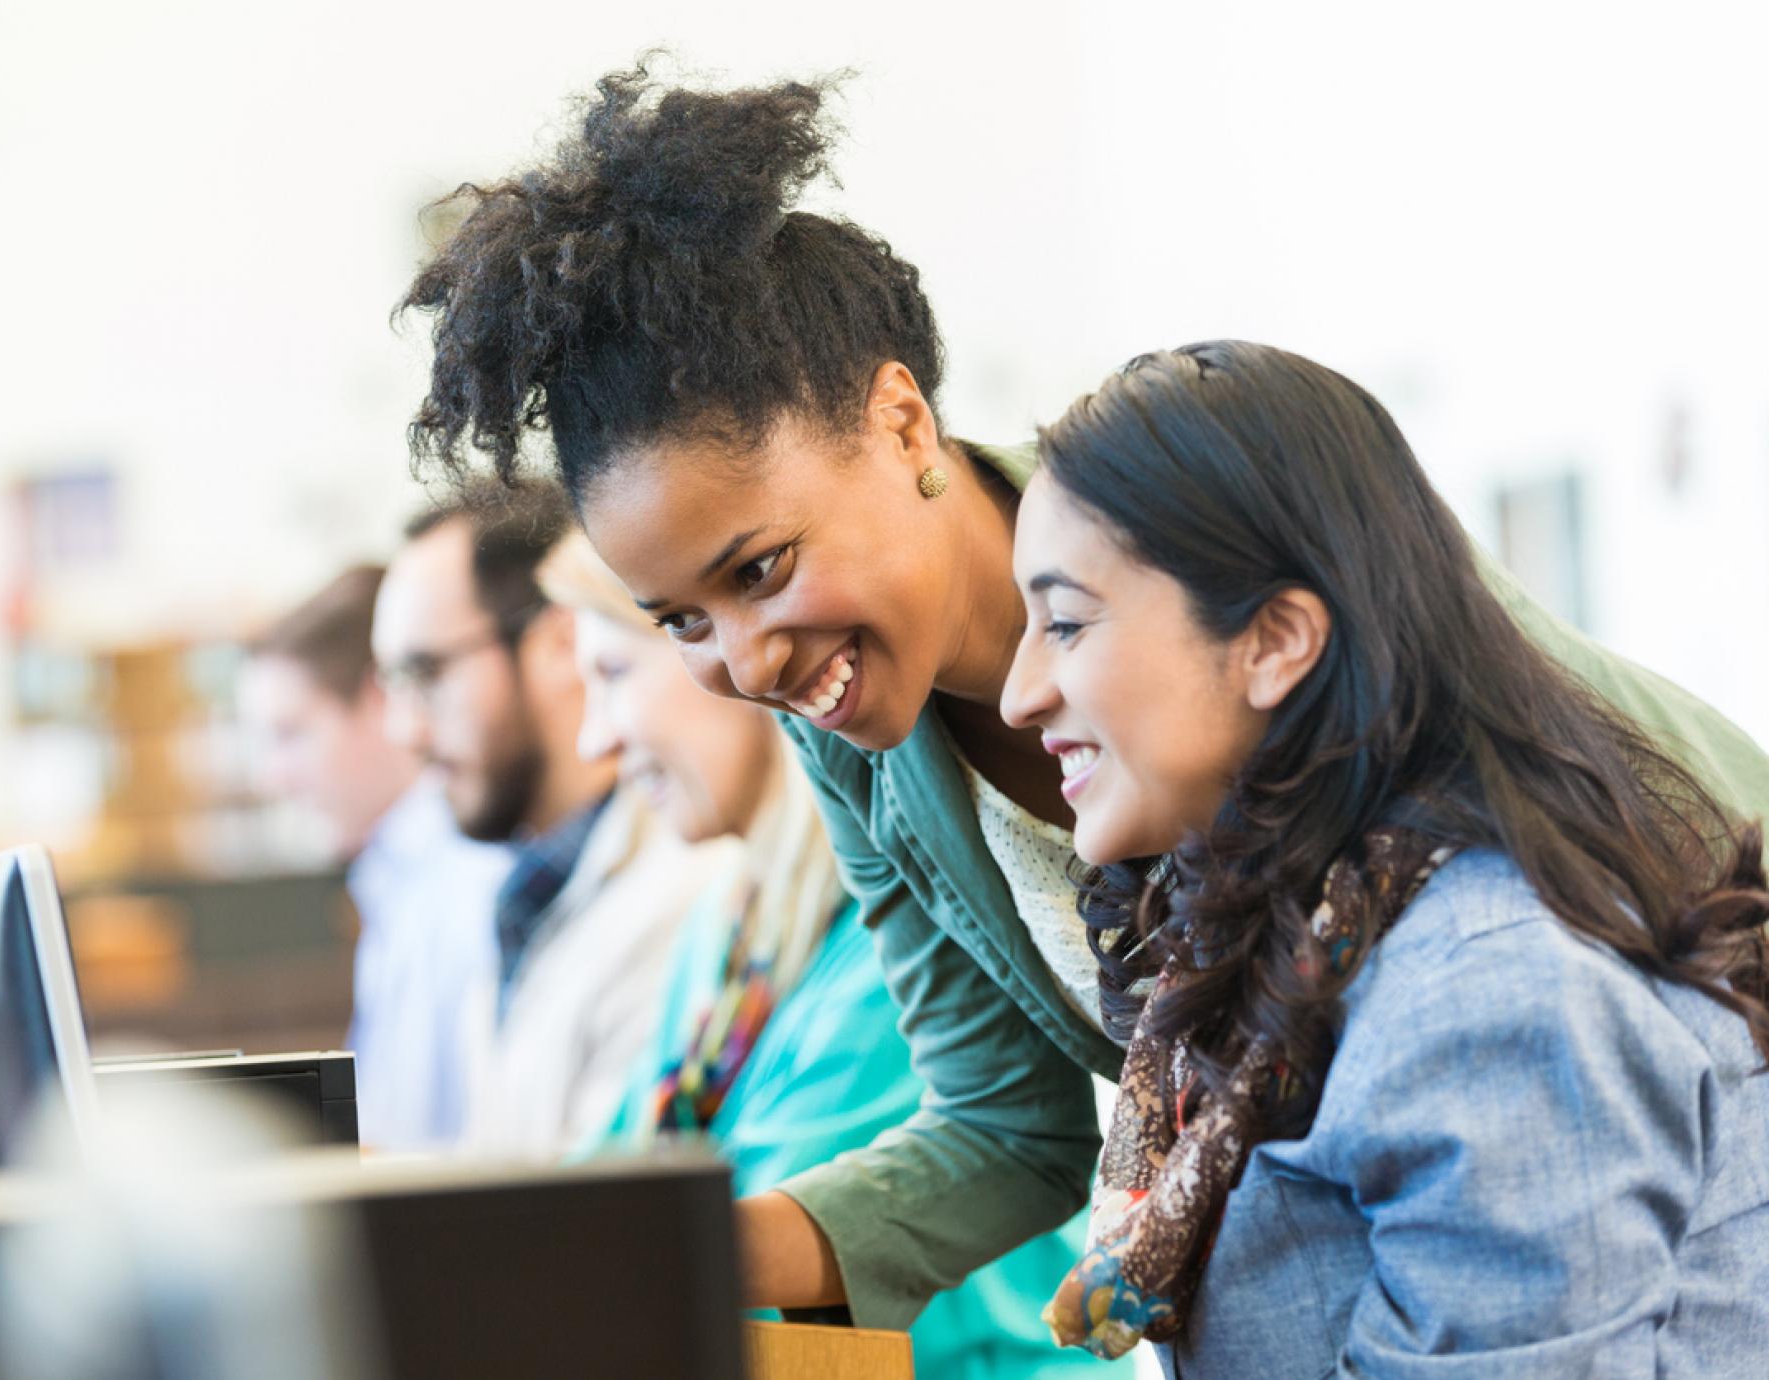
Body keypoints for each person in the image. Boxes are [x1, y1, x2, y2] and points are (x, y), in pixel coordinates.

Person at [395, 65, 1769, 1332]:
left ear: (902, 424)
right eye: (680, 620)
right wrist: (659, 1260)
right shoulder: (865, 739)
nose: (746, 665)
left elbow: (1587, 857)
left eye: (762, 569)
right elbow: (1005, 1127)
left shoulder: (1211, 522)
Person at [1005, 340, 1769, 1375]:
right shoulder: (1307, 926)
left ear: (1275, 640)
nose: (1016, 695)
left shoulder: (1483, 987)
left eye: (1062, 622)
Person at [540, 532, 1114, 1378]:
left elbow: (738, 1261)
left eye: (615, 675)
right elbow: (608, 1185)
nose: (592, 741)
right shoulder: (730, 932)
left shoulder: (896, 945)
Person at [371, 480, 725, 1155]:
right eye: (392, 685)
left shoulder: (683, 893)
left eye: (426, 674)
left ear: (559, 644)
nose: (404, 729)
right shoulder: (528, 891)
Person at [239, 566, 510, 1149]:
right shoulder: (397, 879)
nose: (271, 778)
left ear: (378, 701)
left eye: (290, 733)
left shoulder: (467, 881)